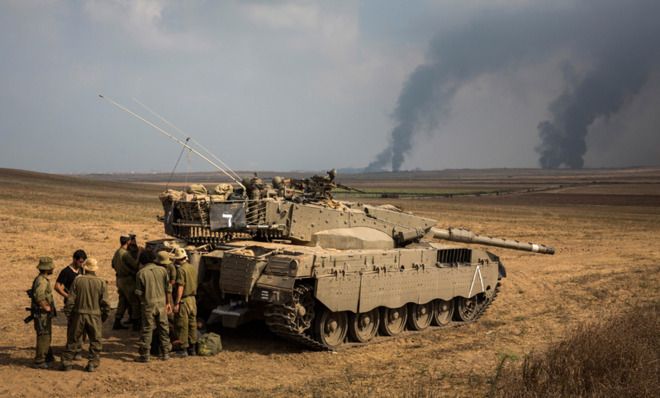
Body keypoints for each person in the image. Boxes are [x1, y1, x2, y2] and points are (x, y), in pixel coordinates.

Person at [60, 258, 110, 372]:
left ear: (85, 268)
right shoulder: (101, 282)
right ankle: (92, 362)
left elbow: (70, 300)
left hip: (78, 314)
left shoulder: (77, 280)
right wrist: (103, 316)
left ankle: (67, 362)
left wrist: (69, 315)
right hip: (95, 315)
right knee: (95, 341)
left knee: (73, 339)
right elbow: (105, 303)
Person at [134, 251, 172, 362]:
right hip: (161, 303)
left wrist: (143, 303)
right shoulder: (163, 270)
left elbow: (138, 293)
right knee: (164, 328)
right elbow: (168, 289)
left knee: (147, 329)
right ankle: (165, 353)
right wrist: (168, 303)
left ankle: (145, 355)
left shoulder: (140, 273)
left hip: (148, 304)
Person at [54, 249, 86, 360]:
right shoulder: (66, 272)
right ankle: (72, 349)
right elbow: (57, 286)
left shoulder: (82, 270)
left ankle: (78, 349)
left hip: (81, 303)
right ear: (74, 260)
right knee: (73, 327)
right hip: (71, 305)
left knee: (81, 327)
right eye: (79, 261)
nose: (81, 264)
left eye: (83, 262)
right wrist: (68, 297)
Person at [30, 257, 56, 369]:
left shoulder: (40, 279)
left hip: (41, 313)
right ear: (48, 269)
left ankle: (47, 356)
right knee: (43, 336)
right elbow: (39, 296)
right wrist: (47, 307)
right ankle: (39, 361)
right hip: (42, 314)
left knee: (46, 335)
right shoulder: (42, 281)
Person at [172, 248, 198, 357]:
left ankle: (183, 349)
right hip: (193, 299)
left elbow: (180, 287)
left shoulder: (181, 270)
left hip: (184, 300)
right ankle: (193, 348)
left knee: (182, 324)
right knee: (192, 324)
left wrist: (177, 302)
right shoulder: (192, 268)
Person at [111, 235, 140, 331]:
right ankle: (136, 324)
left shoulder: (117, 252)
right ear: (128, 242)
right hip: (128, 280)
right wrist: (139, 256)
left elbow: (113, 264)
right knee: (135, 301)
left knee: (123, 301)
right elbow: (135, 265)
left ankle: (117, 321)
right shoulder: (125, 254)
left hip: (119, 279)